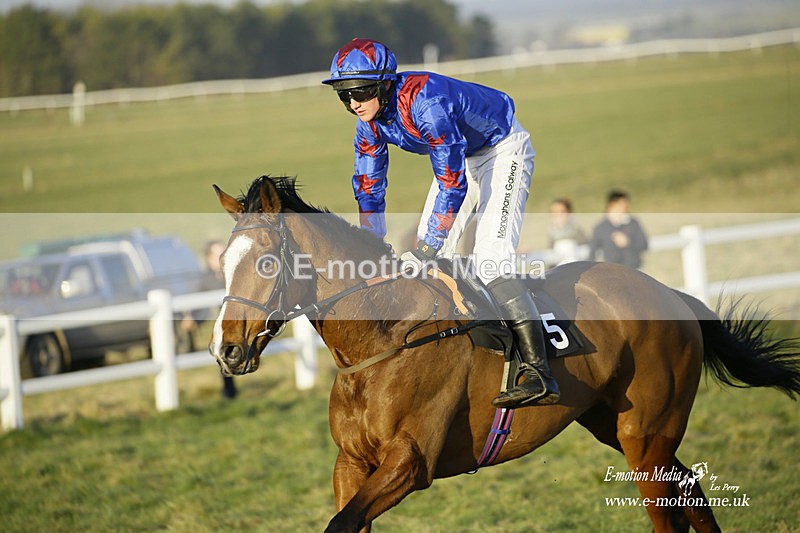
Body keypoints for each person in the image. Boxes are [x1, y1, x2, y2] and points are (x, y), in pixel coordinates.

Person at [322, 38, 558, 407]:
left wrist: (428, 246)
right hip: (462, 156)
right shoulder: (368, 123)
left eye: (361, 91)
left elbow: (451, 184)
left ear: (385, 84)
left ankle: (538, 370)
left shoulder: (426, 102)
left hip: (502, 149)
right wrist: (371, 242)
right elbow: (369, 186)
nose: (353, 102)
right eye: (343, 95)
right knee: (431, 256)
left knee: (490, 257)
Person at [182, 240, 237, 399]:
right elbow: (197, 301)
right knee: (224, 356)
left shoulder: (234, 273)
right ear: (209, 257)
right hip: (217, 325)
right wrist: (190, 317)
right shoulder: (205, 279)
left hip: (236, 322)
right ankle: (229, 391)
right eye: (218, 253)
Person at [589, 190, 648, 269]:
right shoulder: (600, 228)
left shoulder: (633, 223)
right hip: (613, 273)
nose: (626, 207)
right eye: (623, 204)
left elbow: (644, 244)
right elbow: (592, 253)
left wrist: (628, 243)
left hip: (635, 271)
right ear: (612, 204)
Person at [548, 197, 587, 265]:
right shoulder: (551, 232)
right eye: (555, 212)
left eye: (562, 212)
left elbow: (586, 251)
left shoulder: (576, 230)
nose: (559, 215)